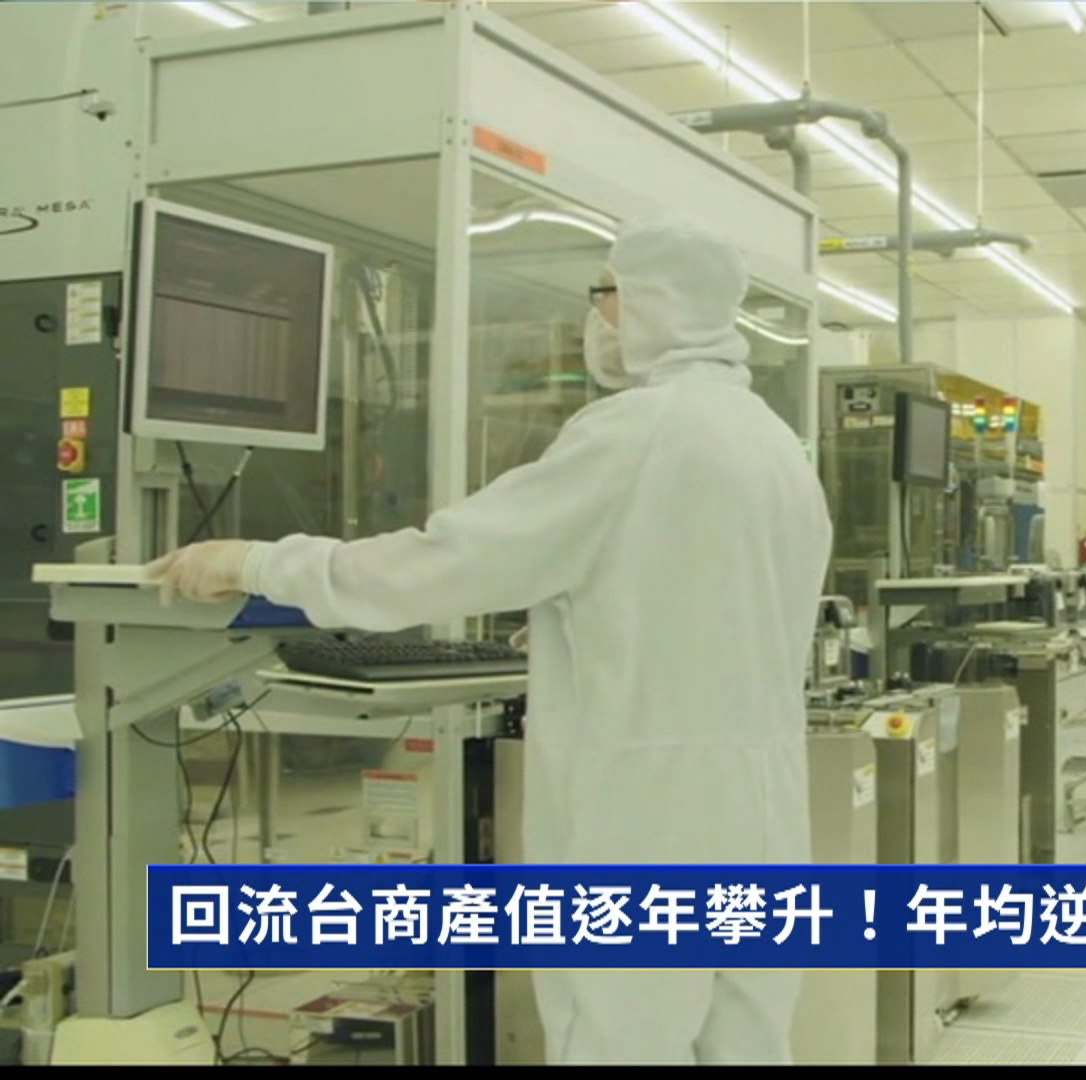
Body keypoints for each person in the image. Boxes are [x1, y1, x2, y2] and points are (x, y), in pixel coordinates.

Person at [149, 217, 834, 1065]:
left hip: (645, 810)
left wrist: (256, 562)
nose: (599, 316)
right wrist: (574, 616)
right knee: (746, 1038)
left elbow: (441, 564)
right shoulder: (771, 441)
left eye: (606, 294)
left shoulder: (636, 430)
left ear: (650, 303)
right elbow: (712, 597)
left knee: (620, 1037)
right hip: (761, 803)